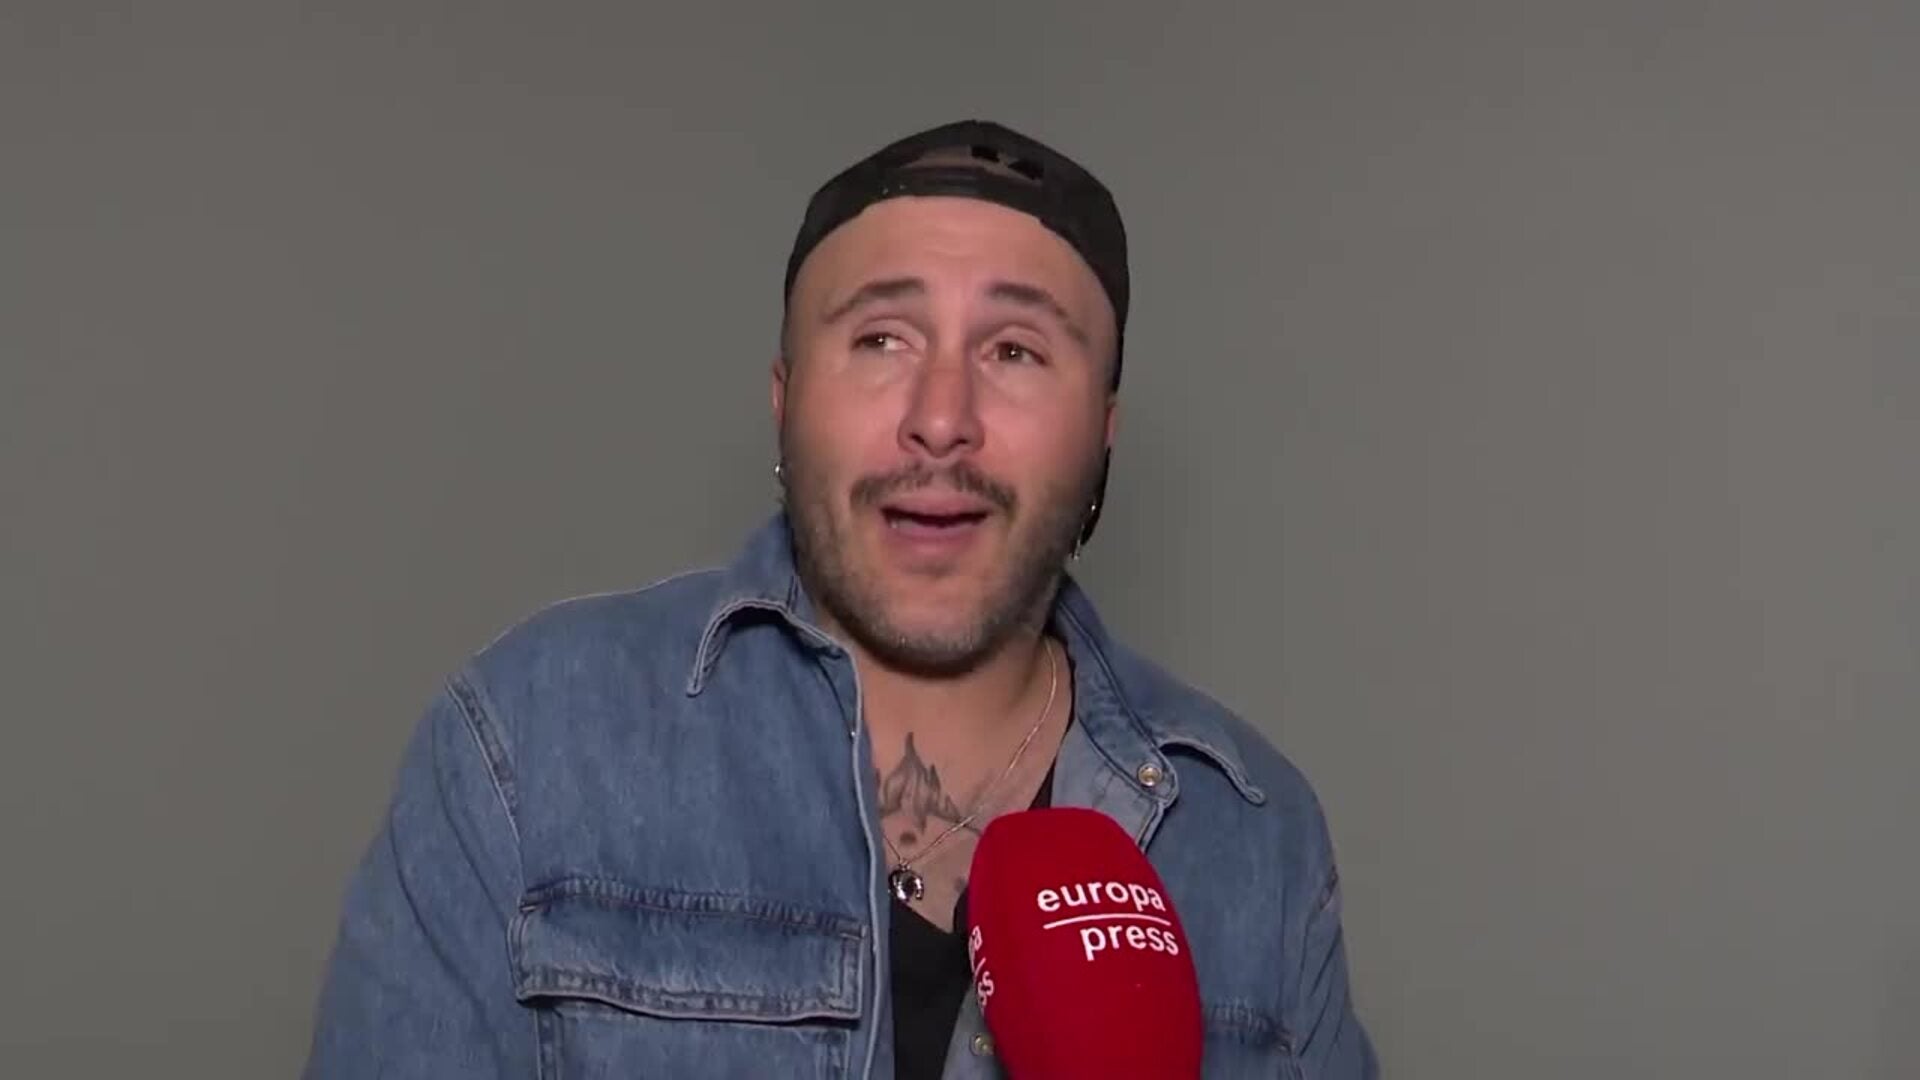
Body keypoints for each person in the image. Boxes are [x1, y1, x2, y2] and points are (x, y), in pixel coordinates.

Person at [304, 118, 1378, 1079]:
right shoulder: (531, 744)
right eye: (880, 339)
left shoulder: (1256, 839)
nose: (941, 418)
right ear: (785, 403)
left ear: (1102, 434)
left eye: (1015, 350)